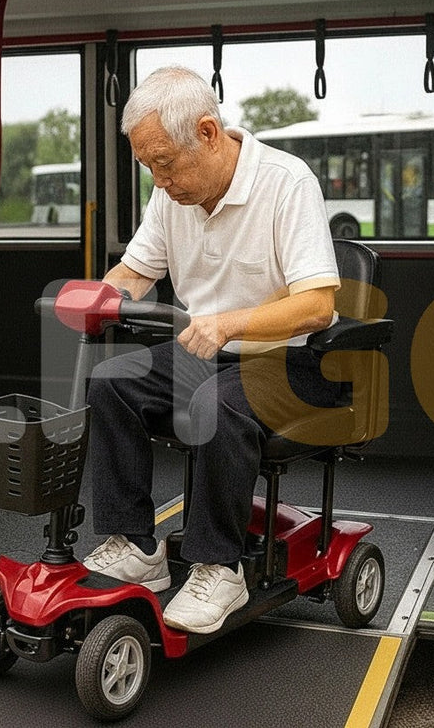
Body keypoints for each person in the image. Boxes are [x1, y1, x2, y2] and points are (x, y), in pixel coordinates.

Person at [81, 66, 342, 634]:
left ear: (206, 131)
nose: (159, 180)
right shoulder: (171, 197)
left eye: (165, 163)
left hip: (291, 358)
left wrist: (229, 323)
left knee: (216, 404)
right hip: (208, 352)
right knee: (111, 382)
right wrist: (98, 297)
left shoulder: (285, 182)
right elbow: (135, 270)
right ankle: (135, 546)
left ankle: (218, 567)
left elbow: (318, 305)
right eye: (148, 166)